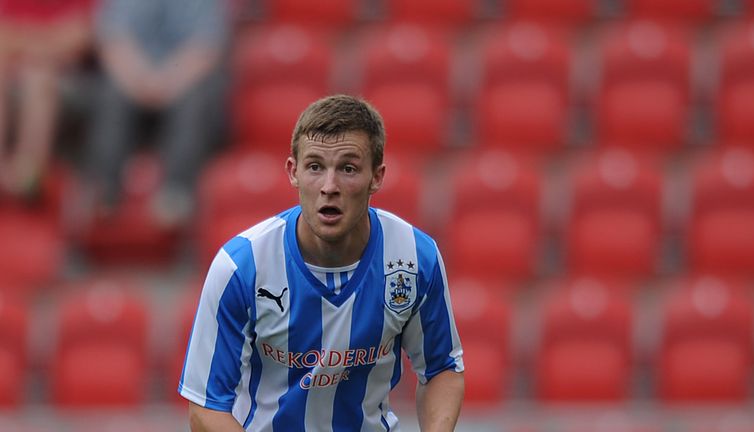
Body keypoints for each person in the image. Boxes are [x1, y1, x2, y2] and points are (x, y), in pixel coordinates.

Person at [179, 95, 465, 431]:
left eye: (348, 168)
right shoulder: (241, 266)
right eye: (315, 167)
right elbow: (205, 408)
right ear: (293, 172)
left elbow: (441, 369)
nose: (330, 187)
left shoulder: (415, 256)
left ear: (377, 176)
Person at [84, 0, 229, 226]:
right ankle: (104, 189)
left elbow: (206, 48)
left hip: (183, 80)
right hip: (133, 78)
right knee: (109, 92)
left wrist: (168, 81)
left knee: (199, 98)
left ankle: (176, 192)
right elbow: (112, 40)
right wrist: (140, 79)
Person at [0, 0, 92, 199]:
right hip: (15, 67)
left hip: (66, 75)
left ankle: (29, 177)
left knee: (39, 78)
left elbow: (81, 38)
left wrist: (26, 42)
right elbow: (3, 35)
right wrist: (45, 41)